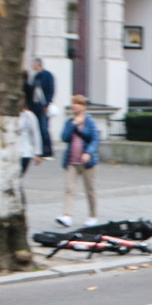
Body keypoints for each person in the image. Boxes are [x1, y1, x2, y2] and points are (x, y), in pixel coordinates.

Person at [57, 94, 100, 227]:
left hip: (87, 162)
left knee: (90, 189)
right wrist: (73, 125)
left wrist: (88, 153)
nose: (75, 106)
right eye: (74, 103)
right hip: (71, 160)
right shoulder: (70, 121)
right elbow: (64, 138)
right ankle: (67, 215)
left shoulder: (90, 121)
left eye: (78, 104)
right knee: (69, 188)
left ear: (84, 107)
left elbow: (95, 139)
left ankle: (93, 216)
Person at [17, 83, 43, 206]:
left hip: (24, 153)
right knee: (14, 181)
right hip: (11, 153)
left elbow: (36, 134)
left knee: (16, 180)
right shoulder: (10, 116)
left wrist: (37, 153)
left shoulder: (29, 116)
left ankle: (22, 205)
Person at [27, 57, 55, 157]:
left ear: (38, 64)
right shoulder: (34, 77)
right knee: (35, 128)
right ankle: (38, 150)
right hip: (34, 105)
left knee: (44, 128)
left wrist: (47, 104)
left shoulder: (47, 75)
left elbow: (50, 90)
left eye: (34, 64)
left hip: (43, 106)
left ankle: (47, 151)